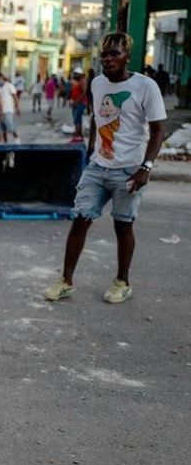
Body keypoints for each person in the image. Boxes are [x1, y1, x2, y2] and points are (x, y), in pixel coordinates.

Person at [43, 32, 166, 304]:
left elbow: (158, 130)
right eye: (105, 55)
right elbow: (97, 118)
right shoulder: (97, 83)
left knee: (123, 226)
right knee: (80, 219)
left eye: (115, 54)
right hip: (98, 166)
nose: (108, 60)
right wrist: (90, 149)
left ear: (127, 57)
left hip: (129, 169)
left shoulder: (146, 86)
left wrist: (146, 167)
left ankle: (122, 282)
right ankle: (66, 280)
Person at [0, 73, 20, 143]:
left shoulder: (9, 86)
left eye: (0, 79)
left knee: (10, 126)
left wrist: (17, 107)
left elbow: (15, 97)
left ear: (3, 79)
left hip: (8, 110)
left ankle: (17, 138)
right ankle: (3, 142)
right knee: (0, 128)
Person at [69, 69, 88, 143]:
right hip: (75, 103)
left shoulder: (83, 81)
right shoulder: (76, 81)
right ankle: (80, 136)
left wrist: (76, 101)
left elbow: (84, 92)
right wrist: (71, 100)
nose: (75, 75)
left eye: (77, 74)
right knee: (76, 119)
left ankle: (76, 136)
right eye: (75, 74)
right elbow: (73, 92)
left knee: (77, 119)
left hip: (81, 103)